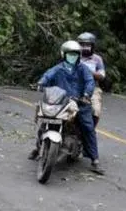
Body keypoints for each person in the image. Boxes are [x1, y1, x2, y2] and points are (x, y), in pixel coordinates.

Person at [29, 40, 104, 174]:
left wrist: (86, 94)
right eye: (70, 54)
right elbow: (47, 76)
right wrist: (41, 83)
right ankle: (38, 147)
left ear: (79, 56)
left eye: (75, 54)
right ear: (64, 54)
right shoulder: (58, 68)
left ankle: (95, 160)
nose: (72, 57)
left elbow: (89, 82)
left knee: (87, 127)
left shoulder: (83, 69)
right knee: (42, 117)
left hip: (80, 103)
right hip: (60, 101)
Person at [77, 32, 106, 127]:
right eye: (82, 45)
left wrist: (88, 72)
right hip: (74, 86)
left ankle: (90, 131)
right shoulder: (73, 56)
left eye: (87, 45)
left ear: (92, 46)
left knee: (96, 110)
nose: (85, 47)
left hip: (93, 89)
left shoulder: (97, 59)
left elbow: (102, 75)